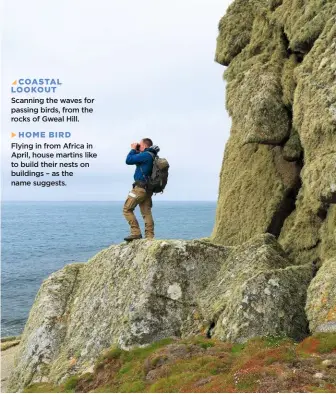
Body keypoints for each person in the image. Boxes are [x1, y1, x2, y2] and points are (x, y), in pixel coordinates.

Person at [123, 138, 160, 241]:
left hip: (139, 189)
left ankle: (136, 233)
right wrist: (138, 152)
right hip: (148, 190)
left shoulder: (145, 155)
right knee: (146, 213)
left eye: (140, 145)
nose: (139, 146)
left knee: (127, 209)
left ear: (144, 146)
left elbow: (128, 160)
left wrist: (133, 149)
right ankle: (149, 237)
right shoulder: (153, 156)